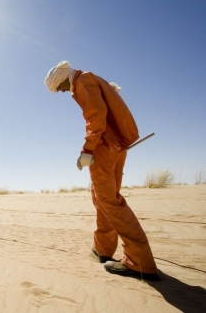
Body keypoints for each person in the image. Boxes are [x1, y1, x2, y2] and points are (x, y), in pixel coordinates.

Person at [44, 61, 159, 281]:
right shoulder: (88, 79)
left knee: (108, 201)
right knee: (102, 199)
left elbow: (95, 115)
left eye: (59, 87)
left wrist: (87, 149)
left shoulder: (82, 81)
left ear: (63, 79)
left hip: (104, 147)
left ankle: (139, 261)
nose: (61, 92)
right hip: (114, 146)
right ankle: (103, 249)